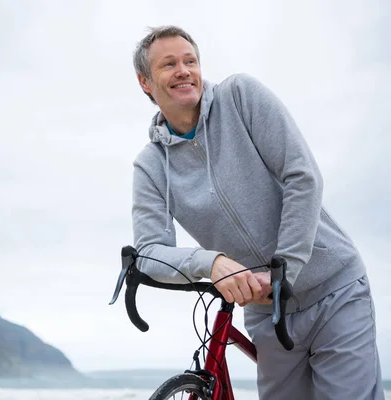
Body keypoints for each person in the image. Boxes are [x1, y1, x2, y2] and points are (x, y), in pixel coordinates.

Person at [129, 25, 384, 399]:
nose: (184, 70)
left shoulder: (240, 97)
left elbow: (303, 176)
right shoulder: (150, 166)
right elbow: (149, 251)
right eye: (169, 64)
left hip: (334, 290)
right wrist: (210, 262)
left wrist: (286, 271)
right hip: (268, 315)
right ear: (146, 82)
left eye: (190, 60)